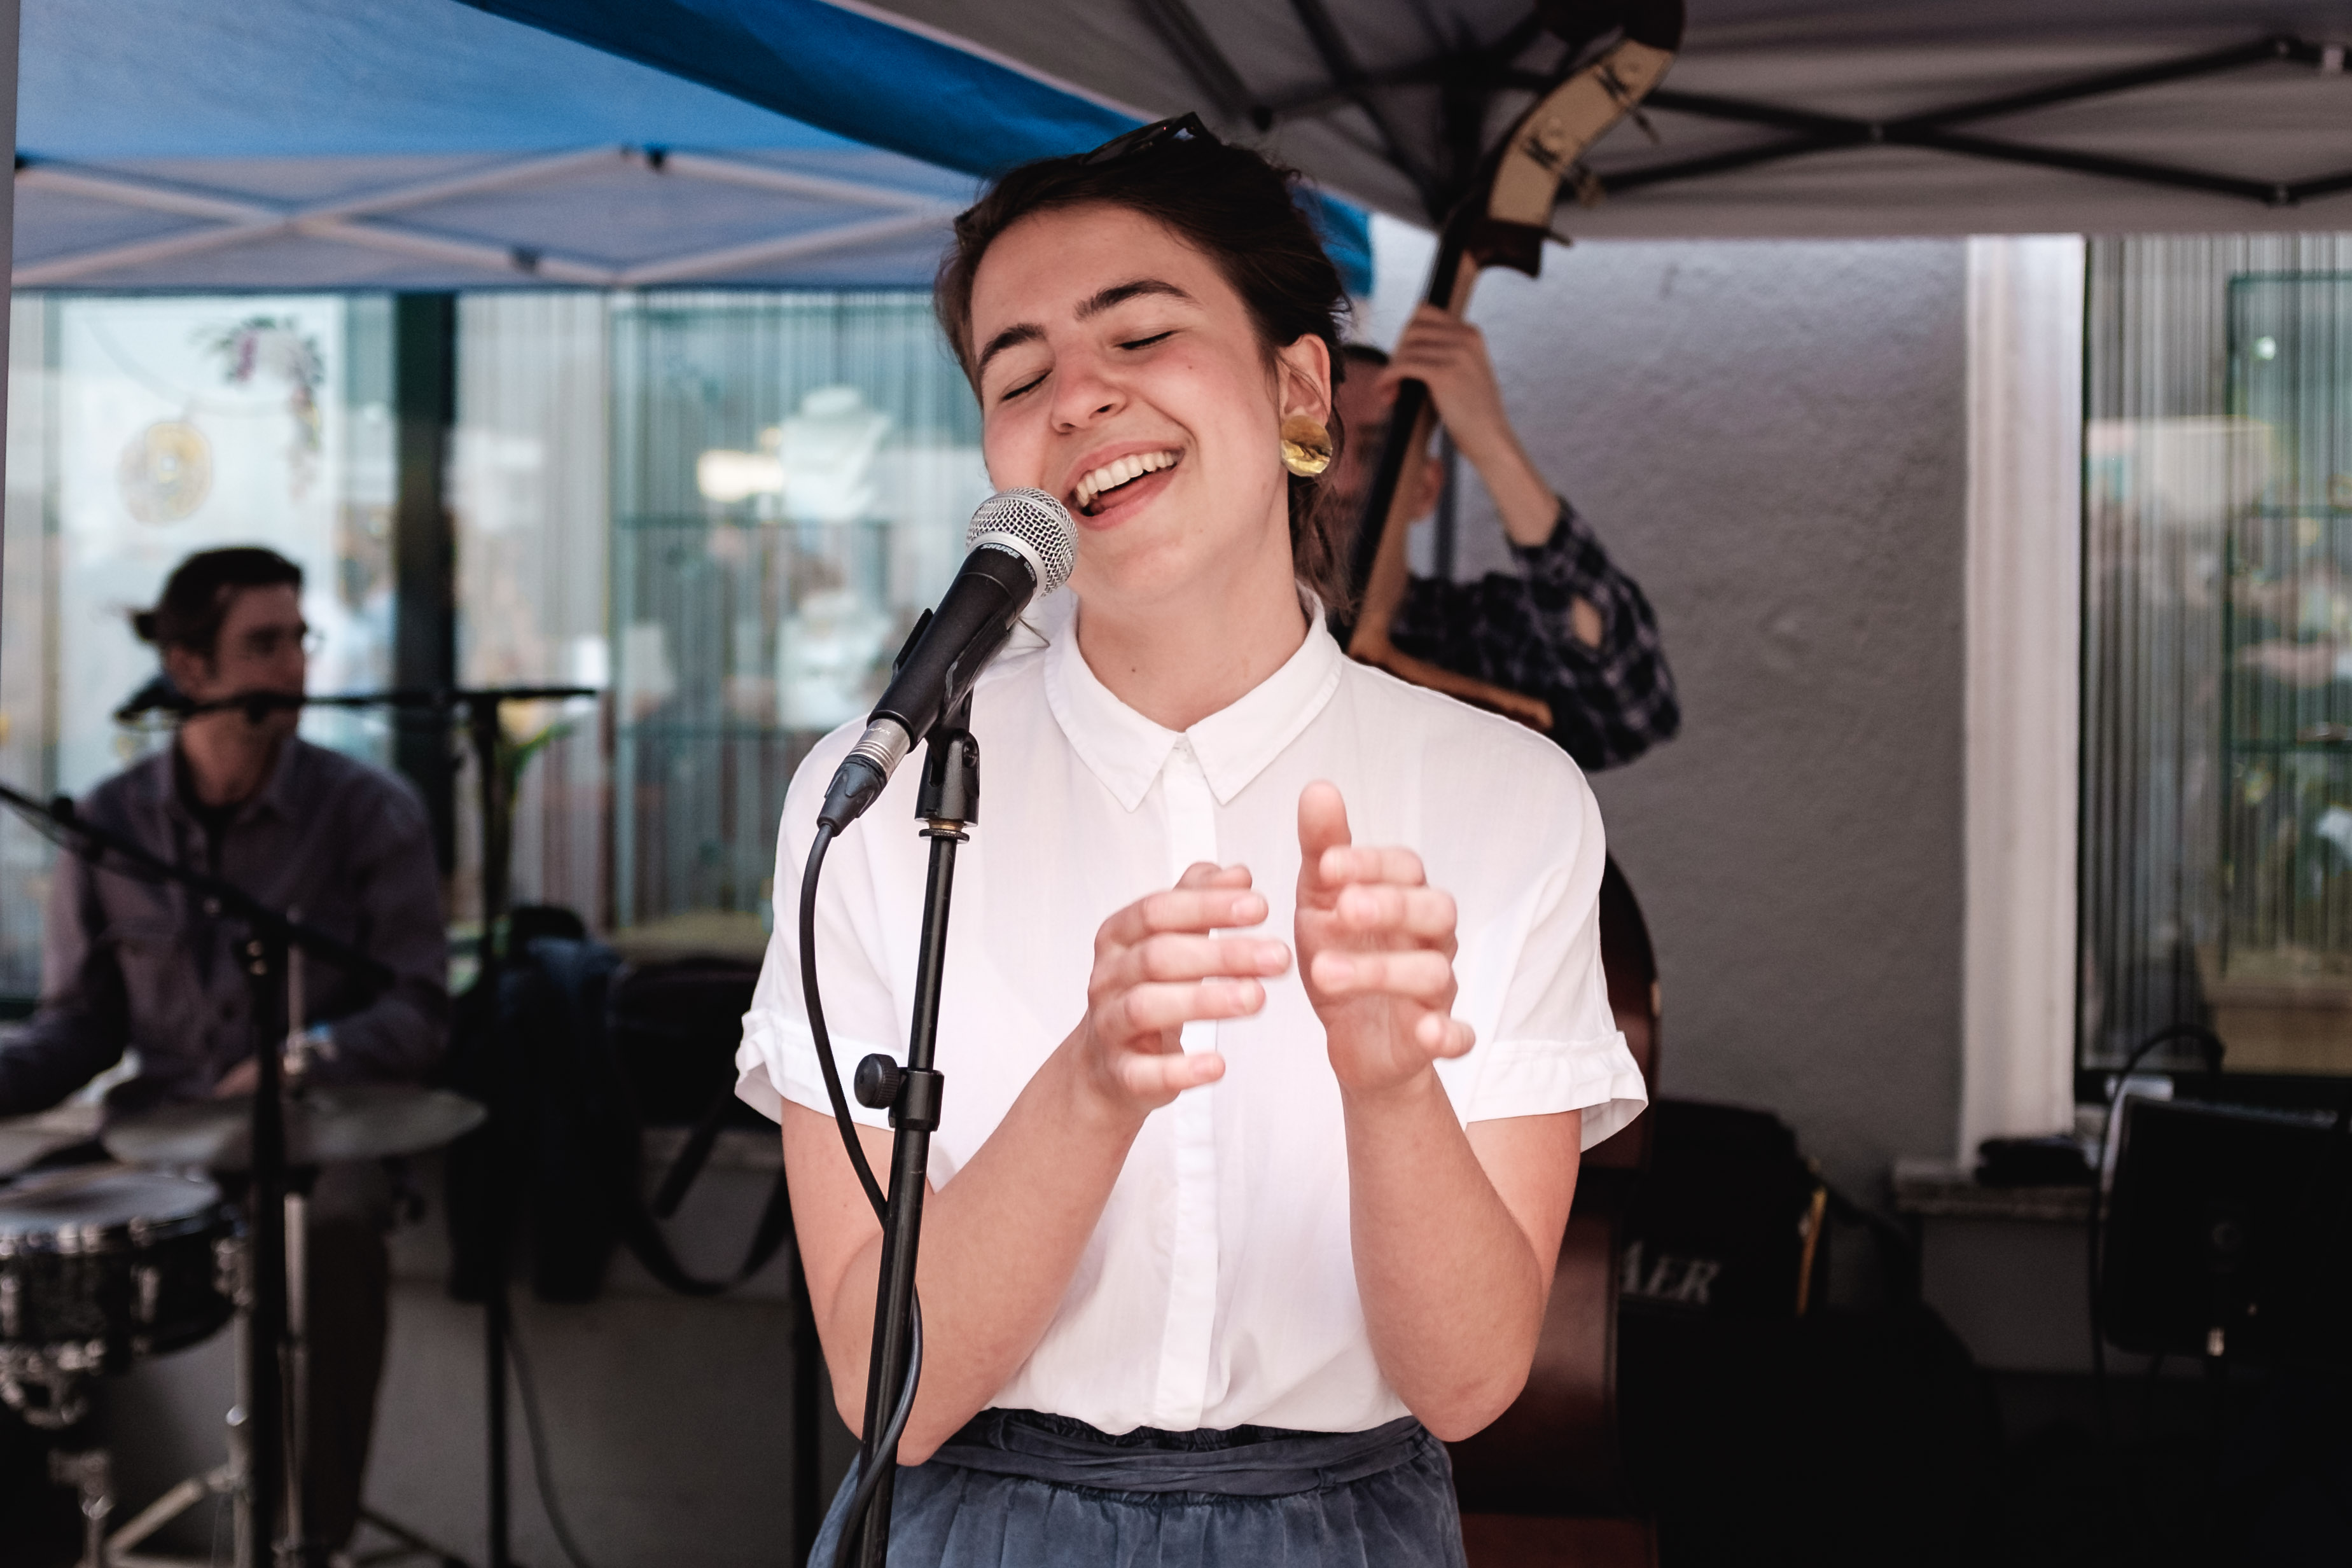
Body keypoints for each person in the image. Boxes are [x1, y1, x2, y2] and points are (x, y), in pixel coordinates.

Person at [736, 114, 1645, 1567]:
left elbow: (1469, 1385)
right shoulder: (876, 794)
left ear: (1299, 389)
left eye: (1141, 334)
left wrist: (1392, 1088)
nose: (1078, 398)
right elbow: (880, 1389)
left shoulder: (1507, 796)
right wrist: (1091, 1083)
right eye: (1018, 375)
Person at [0, 546, 447, 1551]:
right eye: (264, 644)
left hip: (314, 1144)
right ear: (189, 668)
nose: (295, 665)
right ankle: (52, 1525)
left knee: (334, 1231)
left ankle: (308, 1540)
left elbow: (419, 1010)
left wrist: (299, 1060)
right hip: (159, 1139)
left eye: (300, 638)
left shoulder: (368, 811)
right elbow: (80, 1025)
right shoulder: (109, 823)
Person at [1333, 314, 1680, 772]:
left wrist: (1491, 441)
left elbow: (1634, 710)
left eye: (1377, 452)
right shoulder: (1239, 638)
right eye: (1317, 448)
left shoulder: (1484, 634)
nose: (1343, 482)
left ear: (1426, 489)